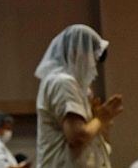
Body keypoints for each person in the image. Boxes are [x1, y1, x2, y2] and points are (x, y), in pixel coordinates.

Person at [35, 24, 123, 167]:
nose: (93, 67)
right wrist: (102, 118)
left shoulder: (74, 86)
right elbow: (77, 137)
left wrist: (98, 119)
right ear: (76, 52)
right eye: (92, 59)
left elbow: (94, 140)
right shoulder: (63, 82)